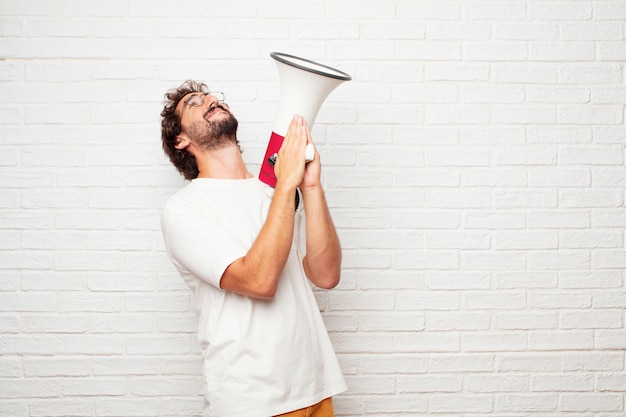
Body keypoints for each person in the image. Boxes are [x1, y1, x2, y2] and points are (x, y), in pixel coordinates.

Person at [159, 80, 347, 417]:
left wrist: (312, 186)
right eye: (195, 102)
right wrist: (287, 183)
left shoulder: (272, 192)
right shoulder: (184, 210)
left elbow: (326, 275)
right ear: (180, 139)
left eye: (214, 96)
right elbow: (259, 281)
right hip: (252, 400)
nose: (212, 100)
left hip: (315, 386)